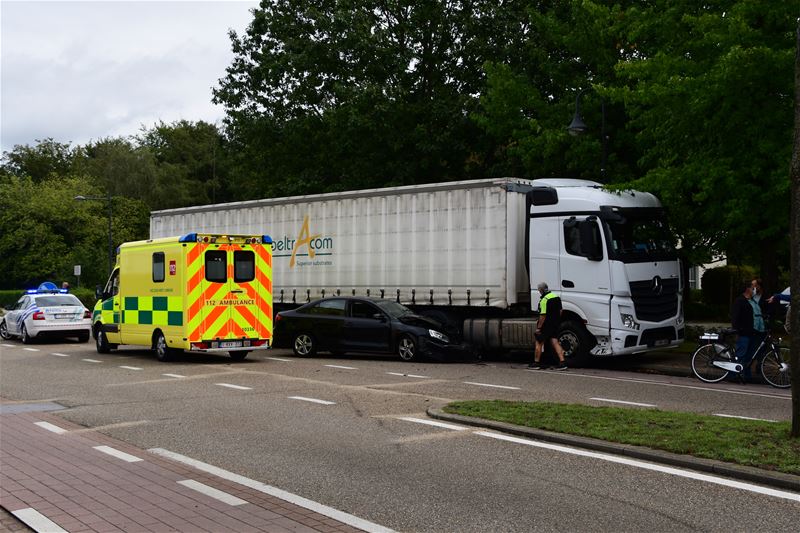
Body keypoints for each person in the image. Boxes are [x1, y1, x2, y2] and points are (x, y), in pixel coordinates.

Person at [528, 282, 567, 370]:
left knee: (539, 342)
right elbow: (561, 311)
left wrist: (539, 328)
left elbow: (543, 315)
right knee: (555, 341)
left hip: (546, 325)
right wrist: (556, 320)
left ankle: (536, 363)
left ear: (540, 290)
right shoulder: (556, 296)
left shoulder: (544, 300)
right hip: (555, 324)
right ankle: (562, 362)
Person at [731, 282, 756, 378]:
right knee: (740, 354)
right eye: (752, 288)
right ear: (747, 289)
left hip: (748, 332)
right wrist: (736, 331)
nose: (754, 290)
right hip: (742, 332)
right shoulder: (739, 301)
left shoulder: (748, 301)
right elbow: (735, 317)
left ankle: (744, 374)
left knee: (747, 355)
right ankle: (734, 375)